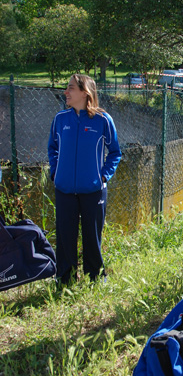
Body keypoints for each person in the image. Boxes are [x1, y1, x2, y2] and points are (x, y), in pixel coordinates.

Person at [48, 74, 121, 285]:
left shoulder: (103, 120)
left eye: (70, 88)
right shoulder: (60, 119)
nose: (66, 92)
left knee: (92, 237)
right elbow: (52, 148)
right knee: (65, 237)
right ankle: (64, 280)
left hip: (93, 191)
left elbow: (115, 152)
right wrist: (55, 172)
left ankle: (95, 278)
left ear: (85, 92)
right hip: (64, 190)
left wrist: (104, 175)